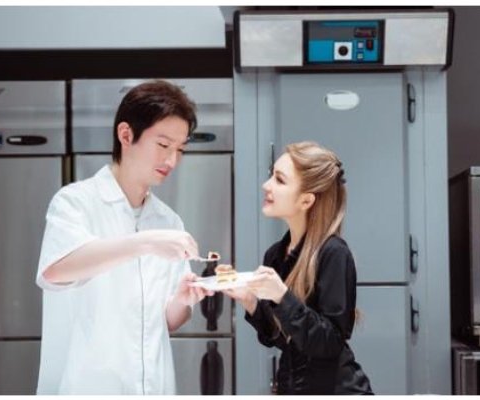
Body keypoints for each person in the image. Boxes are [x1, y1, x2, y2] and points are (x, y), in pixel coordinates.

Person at [35, 80, 213, 394]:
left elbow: (166, 322)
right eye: (163, 145)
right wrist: (146, 243)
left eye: (180, 150)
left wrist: (183, 300)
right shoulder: (75, 202)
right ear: (126, 135)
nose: (172, 160)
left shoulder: (168, 221)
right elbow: (55, 270)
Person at [222, 141, 374, 394]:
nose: (266, 185)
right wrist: (250, 301)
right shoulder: (275, 255)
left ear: (306, 200)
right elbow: (282, 339)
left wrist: (282, 297)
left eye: (279, 180)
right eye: (271, 175)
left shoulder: (334, 253)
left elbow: (330, 342)